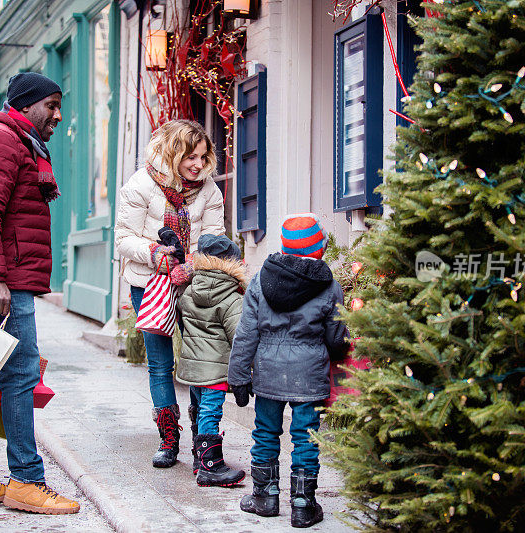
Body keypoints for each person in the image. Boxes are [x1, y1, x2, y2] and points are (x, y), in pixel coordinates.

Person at [0, 72, 79, 514]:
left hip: (0, 278)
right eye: (52, 105)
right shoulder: (2, 142)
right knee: (20, 375)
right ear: (26, 105)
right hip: (2, 283)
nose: (58, 116)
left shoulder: (15, 141)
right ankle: (26, 479)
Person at [114, 119, 225, 468]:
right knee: (160, 364)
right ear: (173, 152)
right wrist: (157, 255)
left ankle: (201, 439)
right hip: (149, 284)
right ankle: (168, 439)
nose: (198, 164)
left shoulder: (209, 191)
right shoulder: (140, 185)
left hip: (195, 284)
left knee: (197, 362)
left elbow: (214, 240)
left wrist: (191, 264)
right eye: (191, 156)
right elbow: (123, 238)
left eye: (203, 157)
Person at [228, 213, 350, 528]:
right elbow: (336, 338)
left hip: (268, 376)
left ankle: (265, 498)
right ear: (319, 250)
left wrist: (239, 378)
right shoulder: (330, 286)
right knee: (306, 438)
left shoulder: (259, 280)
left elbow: (246, 334)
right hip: (310, 377)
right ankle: (303, 504)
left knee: (266, 433)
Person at [176, 234, 246, 487]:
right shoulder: (232, 299)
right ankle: (211, 466)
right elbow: (240, 338)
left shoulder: (189, 292)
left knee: (199, 406)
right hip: (216, 369)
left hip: (193, 366)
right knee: (211, 410)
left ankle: (199, 457)